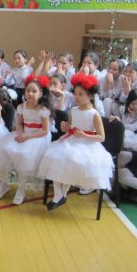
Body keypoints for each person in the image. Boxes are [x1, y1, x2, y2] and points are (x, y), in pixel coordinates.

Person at [37, 73, 114, 210]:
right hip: (71, 141)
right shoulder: (73, 109)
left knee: (71, 161)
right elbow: (71, 126)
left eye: (81, 94)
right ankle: (59, 195)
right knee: (56, 158)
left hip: (87, 144)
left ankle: (62, 195)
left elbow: (101, 137)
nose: (77, 97)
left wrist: (84, 135)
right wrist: (65, 126)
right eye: (76, 94)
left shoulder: (94, 114)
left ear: (90, 96)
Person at [0, 75, 53, 205]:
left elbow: (45, 131)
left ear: (40, 94)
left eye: (34, 91)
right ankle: (4, 185)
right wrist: (20, 134)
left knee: (24, 156)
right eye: (28, 90)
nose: (30, 93)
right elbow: (19, 123)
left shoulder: (43, 110)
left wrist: (27, 137)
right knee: (2, 150)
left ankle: (21, 190)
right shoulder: (21, 106)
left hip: (38, 137)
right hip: (24, 134)